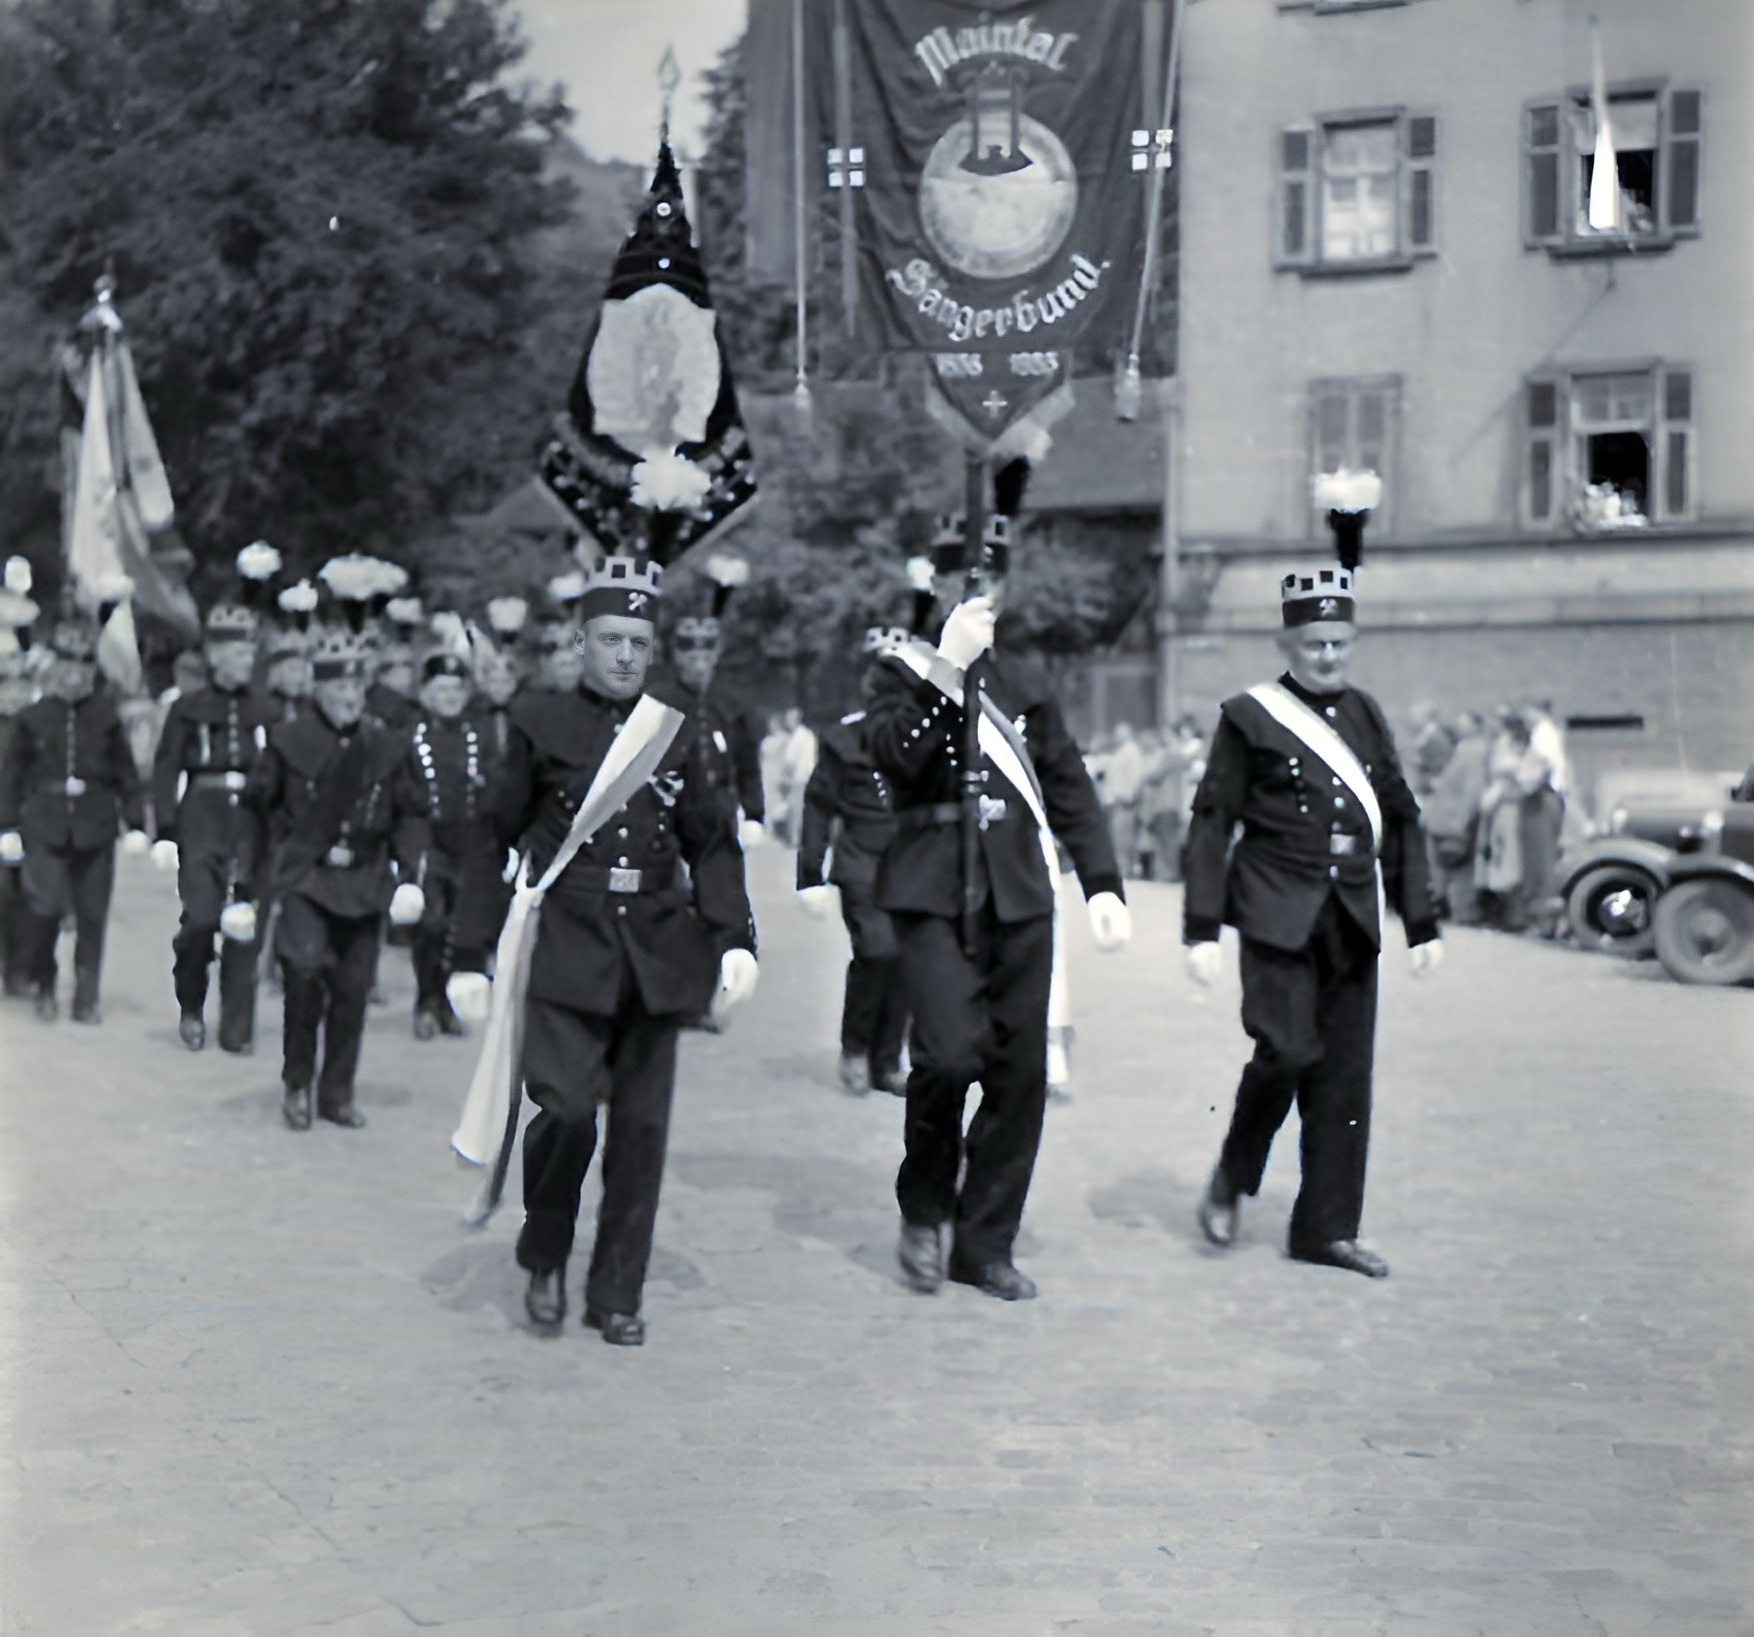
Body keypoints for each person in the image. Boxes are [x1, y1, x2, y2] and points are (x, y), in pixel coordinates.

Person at [475, 553, 758, 1347]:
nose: (626, 654)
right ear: (582, 639)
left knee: (639, 1132)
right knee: (563, 1114)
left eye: (638, 639)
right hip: (567, 949)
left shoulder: (678, 731)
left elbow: (713, 843)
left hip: (658, 957)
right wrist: (467, 952)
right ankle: (545, 1254)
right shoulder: (539, 724)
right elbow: (490, 837)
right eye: (610, 638)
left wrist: (736, 938)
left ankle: (617, 1290)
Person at [864, 482, 1131, 1303]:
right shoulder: (900, 668)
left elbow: (1067, 783)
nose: (974, 594)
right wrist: (944, 667)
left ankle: (985, 1242)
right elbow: (893, 759)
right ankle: (924, 1207)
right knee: (944, 1059)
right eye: (959, 579)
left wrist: (1104, 881)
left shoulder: (1028, 678)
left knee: (1018, 1078)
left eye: (988, 581)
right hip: (933, 889)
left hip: (1017, 890)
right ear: (937, 584)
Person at [1184, 565, 1441, 1280]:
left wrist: (1422, 920)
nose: (1327, 655)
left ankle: (1326, 1228)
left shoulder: (1365, 714)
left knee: (1345, 1077)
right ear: (1287, 640)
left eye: (1338, 641)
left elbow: (1403, 816)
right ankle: (1235, 1173)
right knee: (1287, 1051)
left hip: (1352, 912)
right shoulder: (1249, 716)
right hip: (1275, 909)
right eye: (1313, 642)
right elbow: (1212, 822)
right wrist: (1201, 926)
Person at [247, 627, 431, 1131]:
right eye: (338, 689)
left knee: (352, 991)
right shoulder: (288, 743)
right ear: (318, 690)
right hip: (310, 879)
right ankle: (297, 1082)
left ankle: (337, 1092)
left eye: (356, 688)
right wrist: (251, 884)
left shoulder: (388, 746)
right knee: (304, 977)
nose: (349, 698)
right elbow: (262, 814)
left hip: (365, 881)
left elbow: (411, 814)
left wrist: (411, 874)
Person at [0, 613, 149, 1023]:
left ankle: (87, 995)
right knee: (44, 906)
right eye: (67, 664)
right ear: (54, 668)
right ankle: (45, 985)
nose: (74, 675)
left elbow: (126, 773)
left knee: (92, 912)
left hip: (96, 825)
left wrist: (136, 823)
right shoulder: (32, 719)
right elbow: (12, 775)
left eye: (83, 665)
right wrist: (7, 825)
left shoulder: (105, 717)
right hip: (45, 825)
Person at [150, 602, 279, 1053]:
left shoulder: (267, 708)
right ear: (217, 656)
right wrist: (164, 830)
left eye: (250, 653)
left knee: (245, 921)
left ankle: (236, 1029)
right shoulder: (188, 709)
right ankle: (191, 1004)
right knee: (201, 919)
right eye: (239, 653)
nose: (247, 661)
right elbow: (166, 769)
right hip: (202, 818)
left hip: (252, 820)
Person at [797, 625, 909, 1097]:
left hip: (911, 868)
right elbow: (819, 805)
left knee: (905, 963)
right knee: (876, 952)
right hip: (861, 862)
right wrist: (810, 875)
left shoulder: (922, 736)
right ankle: (856, 1048)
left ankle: (886, 1061)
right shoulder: (844, 739)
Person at [408, 634, 506, 1041]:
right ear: (426, 693)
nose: (449, 697)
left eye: (455, 689)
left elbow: (496, 780)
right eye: (441, 689)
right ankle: (426, 1000)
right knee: (431, 923)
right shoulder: (411, 736)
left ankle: (449, 1003)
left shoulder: (478, 734)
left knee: (465, 925)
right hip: (430, 842)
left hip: (472, 840)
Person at [663, 557, 767, 846]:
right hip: (668, 821)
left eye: (706, 649)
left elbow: (748, 764)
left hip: (719, 819)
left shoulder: (731, 705)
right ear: (675, 654)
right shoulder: (659, 704)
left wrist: (754, 813)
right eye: (687, 649)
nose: (698, 659)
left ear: (717, 653)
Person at [1422, 710, 1490, 925]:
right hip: (1446, 818)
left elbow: (1472, 790)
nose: (1460, 727)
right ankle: (1445, 909)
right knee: (1443, 866)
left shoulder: (1475, 752)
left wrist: (1461, 821)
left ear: (1476, 727)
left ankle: (1462, 912)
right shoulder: (1464, 749)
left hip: (1455, 820)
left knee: (1460, 867)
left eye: (1465, 723)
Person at [1100, 721, 1146, 879]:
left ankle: (1125, 868)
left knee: (1124, 837)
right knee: (1118, 836)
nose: (1116, 736)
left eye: (1119, 733)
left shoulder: (1132, 752)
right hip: (1115, 800)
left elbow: (1136, 774)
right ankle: (1123, 867)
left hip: (1124, 801)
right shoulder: (1120, 752)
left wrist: (1130, 794)